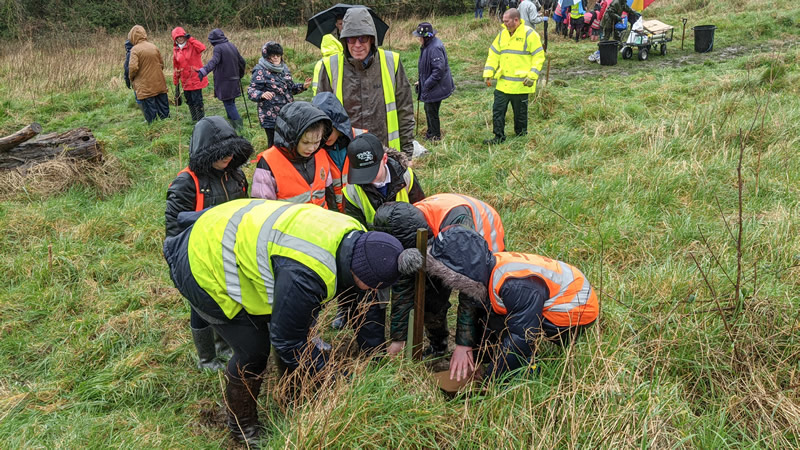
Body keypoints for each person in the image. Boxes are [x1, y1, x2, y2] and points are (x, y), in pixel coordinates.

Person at [163, 198, 422, 444]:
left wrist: (373, 356)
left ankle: (293, 396)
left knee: (296, 326)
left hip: (234, 229)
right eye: (372, 285)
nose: (372, 290)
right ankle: (243, 427)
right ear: (359, 274)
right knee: (253, 350)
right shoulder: (307, 273)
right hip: (205, 258)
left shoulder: (356, 237)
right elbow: (288, 340)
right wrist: (334, 376)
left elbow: (364, 304)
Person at [426, 226, 599, 382]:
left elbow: (522, 337)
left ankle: (530, 371)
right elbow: (478, 311)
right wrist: (472, 352)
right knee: (490, 315)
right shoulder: (490, 268)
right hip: (556, 292)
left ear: (462, 271)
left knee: (520, 338)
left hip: (576, 308)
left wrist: (490, 380)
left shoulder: (513, 286)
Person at [165, 116, 253, 370]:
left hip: (228, 252)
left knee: (226, 301)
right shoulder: (186, 183)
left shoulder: (235, 176)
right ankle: (206, 358)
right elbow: (174, 227)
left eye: (231, 153)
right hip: (197, 255)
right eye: (221, 154)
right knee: (200, 307)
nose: (227, 158)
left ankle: (225, 345)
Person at [373, 194, 505, 359]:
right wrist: (399, 339)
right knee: (430, 300)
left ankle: (483, 355)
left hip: (482, 248)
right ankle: (438, 347)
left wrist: (464, 344)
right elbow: (404, 286)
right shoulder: (406, 222)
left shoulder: (459, 230)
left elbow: (470, 289)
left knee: (482, 308)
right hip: (440, 239)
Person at [316, 7, 416, 159]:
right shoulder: (330, 66)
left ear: (372, 39)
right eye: (351, 38)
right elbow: (321, 116)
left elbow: (405, 111)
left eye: (363, 38)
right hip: (346, 156)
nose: (357, 45)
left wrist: (406, 155)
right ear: (343, 40)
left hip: (387, 155)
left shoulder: (391, 62)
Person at [250, 101, 335, 209]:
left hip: (323, 223)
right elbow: (261, 209)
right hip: (287, 225)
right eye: (305, 142)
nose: (312, 148)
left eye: (317, 142)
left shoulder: (321, 154)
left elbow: (329, 193)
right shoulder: (268, 162)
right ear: (291, 137)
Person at [483, 8, 546, 144]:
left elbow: (539, 56)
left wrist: (533, 75)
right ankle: (498, 137)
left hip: (521, 84)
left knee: (520, 114)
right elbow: (493, 54)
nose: (504, 24)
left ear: (516, 20)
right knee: (497, 111)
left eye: (507, 21)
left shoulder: (530, 34)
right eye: (503, 21)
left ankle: (521, 136)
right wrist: (489, 73)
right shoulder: (502, 35)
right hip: (503, 84)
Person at [342, 133, 425, 229]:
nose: (367, 178)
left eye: (371, 171)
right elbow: (354, 229)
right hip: (372, 241)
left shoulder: (406, 176)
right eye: (362, 173)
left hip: (408, 237)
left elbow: (421, 213)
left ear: (384, 159)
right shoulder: (351, 192)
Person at [247, 42, 311, 147]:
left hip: (287, 112)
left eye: (278, 55)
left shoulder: (284, 68)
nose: (276, 58)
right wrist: (262, 94)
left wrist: (303, 86)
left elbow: (290, 88)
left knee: (287, 140)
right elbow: (251, 91)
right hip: (270, 114)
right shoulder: (260, 70)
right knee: (273, 144)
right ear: (267, 57)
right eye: (273, 56)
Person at [312, 92, 360, 213]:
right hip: (331, 214)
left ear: (339, 125)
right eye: (320, 132)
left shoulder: (361, 139)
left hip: (358, 211)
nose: (325, 137)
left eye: (328, 131)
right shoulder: (312, 151)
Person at [413, 22, 455, 142]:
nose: (418, 39)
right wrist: (420, 81)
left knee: (432, 111)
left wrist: (426, 84)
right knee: (428, 109)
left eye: (419, 37)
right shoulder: (428, 45)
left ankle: (435, 137)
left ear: (426, 37)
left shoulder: (434, 48)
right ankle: (430, 133)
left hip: (436, 87)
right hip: (432, 86)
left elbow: (438, 70)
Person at [198, 29, 246, 130]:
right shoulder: (231, 45)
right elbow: (242, 61)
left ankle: (240, 129)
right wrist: (239, 75)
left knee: (229, 105)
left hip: (225, 82)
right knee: (230, 103)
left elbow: (214, 61)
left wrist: (203, 71)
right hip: (234, 80)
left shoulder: (218, 48)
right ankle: (233, 127)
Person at [127, 25, 169, 123]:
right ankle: (167, 129)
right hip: (159, 83)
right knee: (164, 111)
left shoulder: (135, 50)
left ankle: (154, 131)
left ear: (132, 37)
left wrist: (131, 78)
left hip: (145, 87)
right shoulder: (153, 46)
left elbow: (133, 68)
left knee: (151, 114)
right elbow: (161, 64)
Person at [171, 27, 208, 122]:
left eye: (181, 36)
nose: (180, 39)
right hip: (185, 80)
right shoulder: (176, 50)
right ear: (174, 39)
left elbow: (202, 47)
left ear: (185, 36)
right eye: (177, 37)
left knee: (197, 101)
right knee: (189, 101)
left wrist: (190, 38)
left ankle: (201, 121)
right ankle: (194, 119)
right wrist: (176, 80)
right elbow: (176, 67)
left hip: (195, 78)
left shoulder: (192, 45)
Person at [311, 16, 345, 96]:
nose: (343, 26)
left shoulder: (319, 63)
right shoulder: (332, 37)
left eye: (344, 23)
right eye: (340, 24)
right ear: (336, 24)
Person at [123, 39, 142, 109]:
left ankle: (147, 115)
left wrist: (127, 81)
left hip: (136, 80)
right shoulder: (140, 51)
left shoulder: (130, 54)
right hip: (145, 78)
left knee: (139, 98)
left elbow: (127, 69)